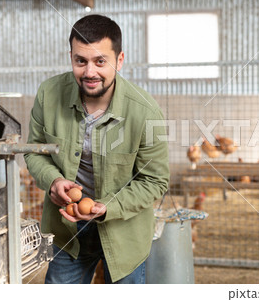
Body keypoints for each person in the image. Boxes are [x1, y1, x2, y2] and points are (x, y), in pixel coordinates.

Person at [24, 14, 169, 284]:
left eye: (100, 61)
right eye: (81, 61)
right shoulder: (49, 94)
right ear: (71, 57)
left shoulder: (145, 111)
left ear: (120, 60)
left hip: (124, 231)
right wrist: (53, 180)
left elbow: (155, 181)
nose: (90, 72)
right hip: (67, 230)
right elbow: (34, 151)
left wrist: (107, 207)